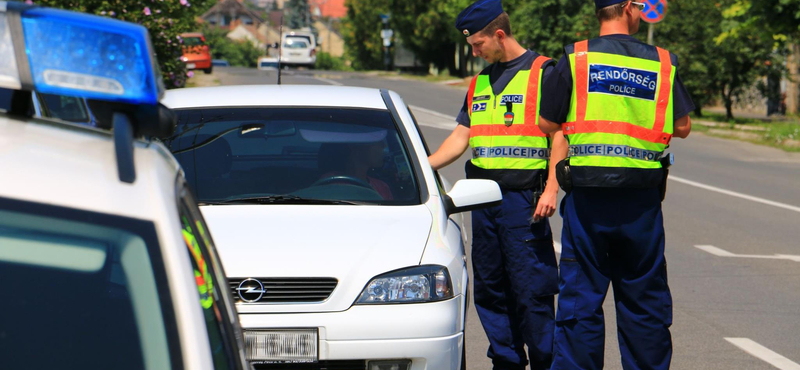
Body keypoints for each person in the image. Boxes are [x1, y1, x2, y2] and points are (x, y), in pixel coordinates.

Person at [536, 1, 694, 369]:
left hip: (588, 200)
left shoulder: (576, 57)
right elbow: (683, 127)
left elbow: (546, 123)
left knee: (580, 300)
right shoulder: (662, 61)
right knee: (644, 301)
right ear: (626, 7)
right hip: (641, 201)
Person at [428, 1, 568, 369]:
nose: (474, 52)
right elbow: (461, 137)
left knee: (530, 289)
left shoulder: (544, 72)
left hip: (524, 199)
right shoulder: (479, 82)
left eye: (477, 45)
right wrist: (419, 168)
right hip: (482, 200)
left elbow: (559, 136)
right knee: (490, 289)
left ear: (499, 35)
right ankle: (505, 361)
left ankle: (543, 360)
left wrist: (553, 186)